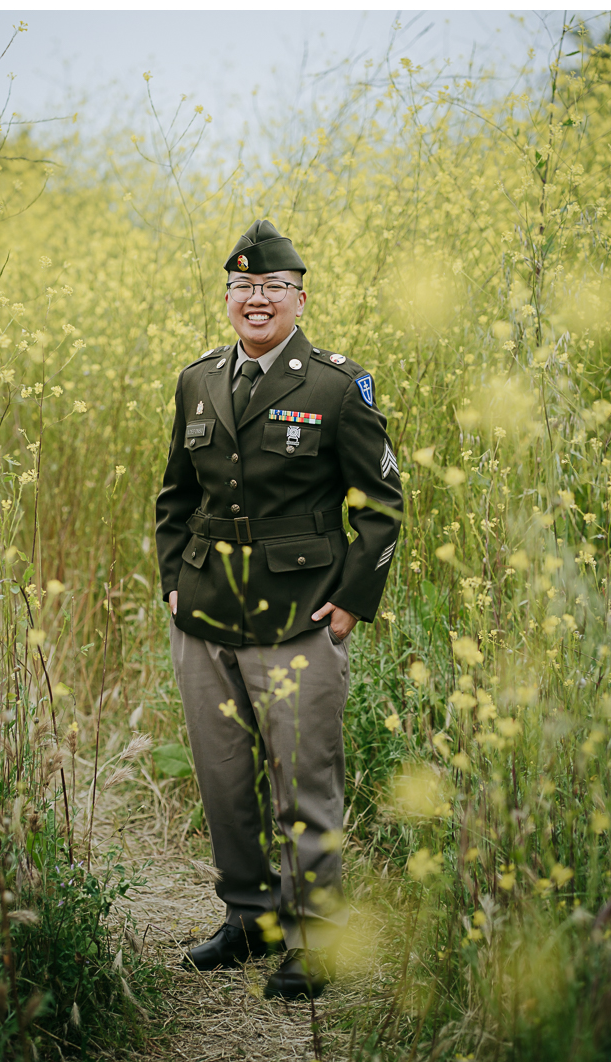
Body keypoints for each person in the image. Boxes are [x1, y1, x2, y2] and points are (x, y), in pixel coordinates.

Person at [155, 219, 403, 999]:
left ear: (299, 298)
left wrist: (350, 605)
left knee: (304, 784)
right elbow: (174, 496)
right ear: (227, 297)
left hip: (299, 616)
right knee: (224, 782)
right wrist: (171, 581)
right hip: (202, 617)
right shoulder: (197, 379)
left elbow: (382, 505)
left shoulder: (336, 385)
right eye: (241, 287)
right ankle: (250, 917)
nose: (254, 300)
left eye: (271, 288)